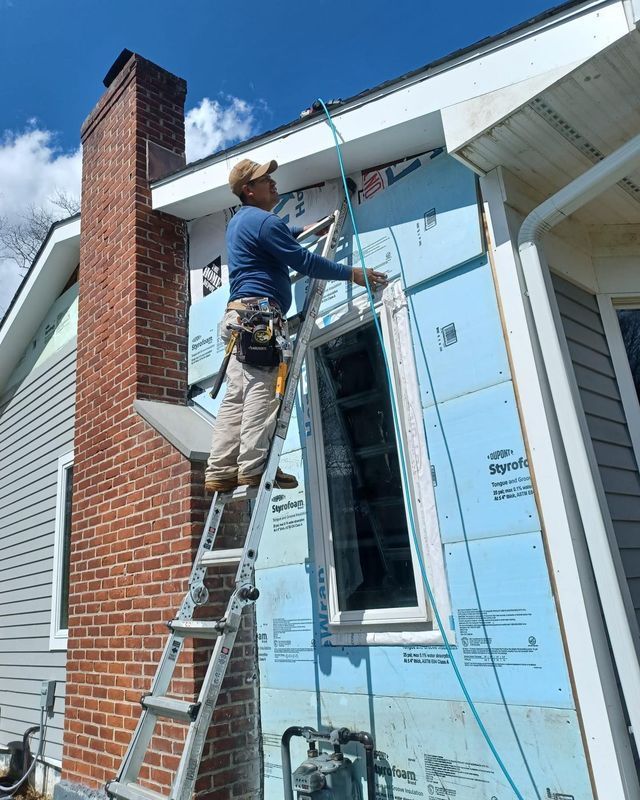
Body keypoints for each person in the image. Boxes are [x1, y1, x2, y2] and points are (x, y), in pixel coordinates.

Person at [204, 158, 388, 494]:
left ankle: (220, 471)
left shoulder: (241, 223)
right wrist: (352, 274)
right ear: (249, 190)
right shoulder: (264, 222)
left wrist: (304, 231)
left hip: (238, 317)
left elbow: (278, 237)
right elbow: (302, 261)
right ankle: (254, 468)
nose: (274, 184)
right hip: (259, 319)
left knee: (235, 398)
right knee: (262, 389)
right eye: (265, 180)